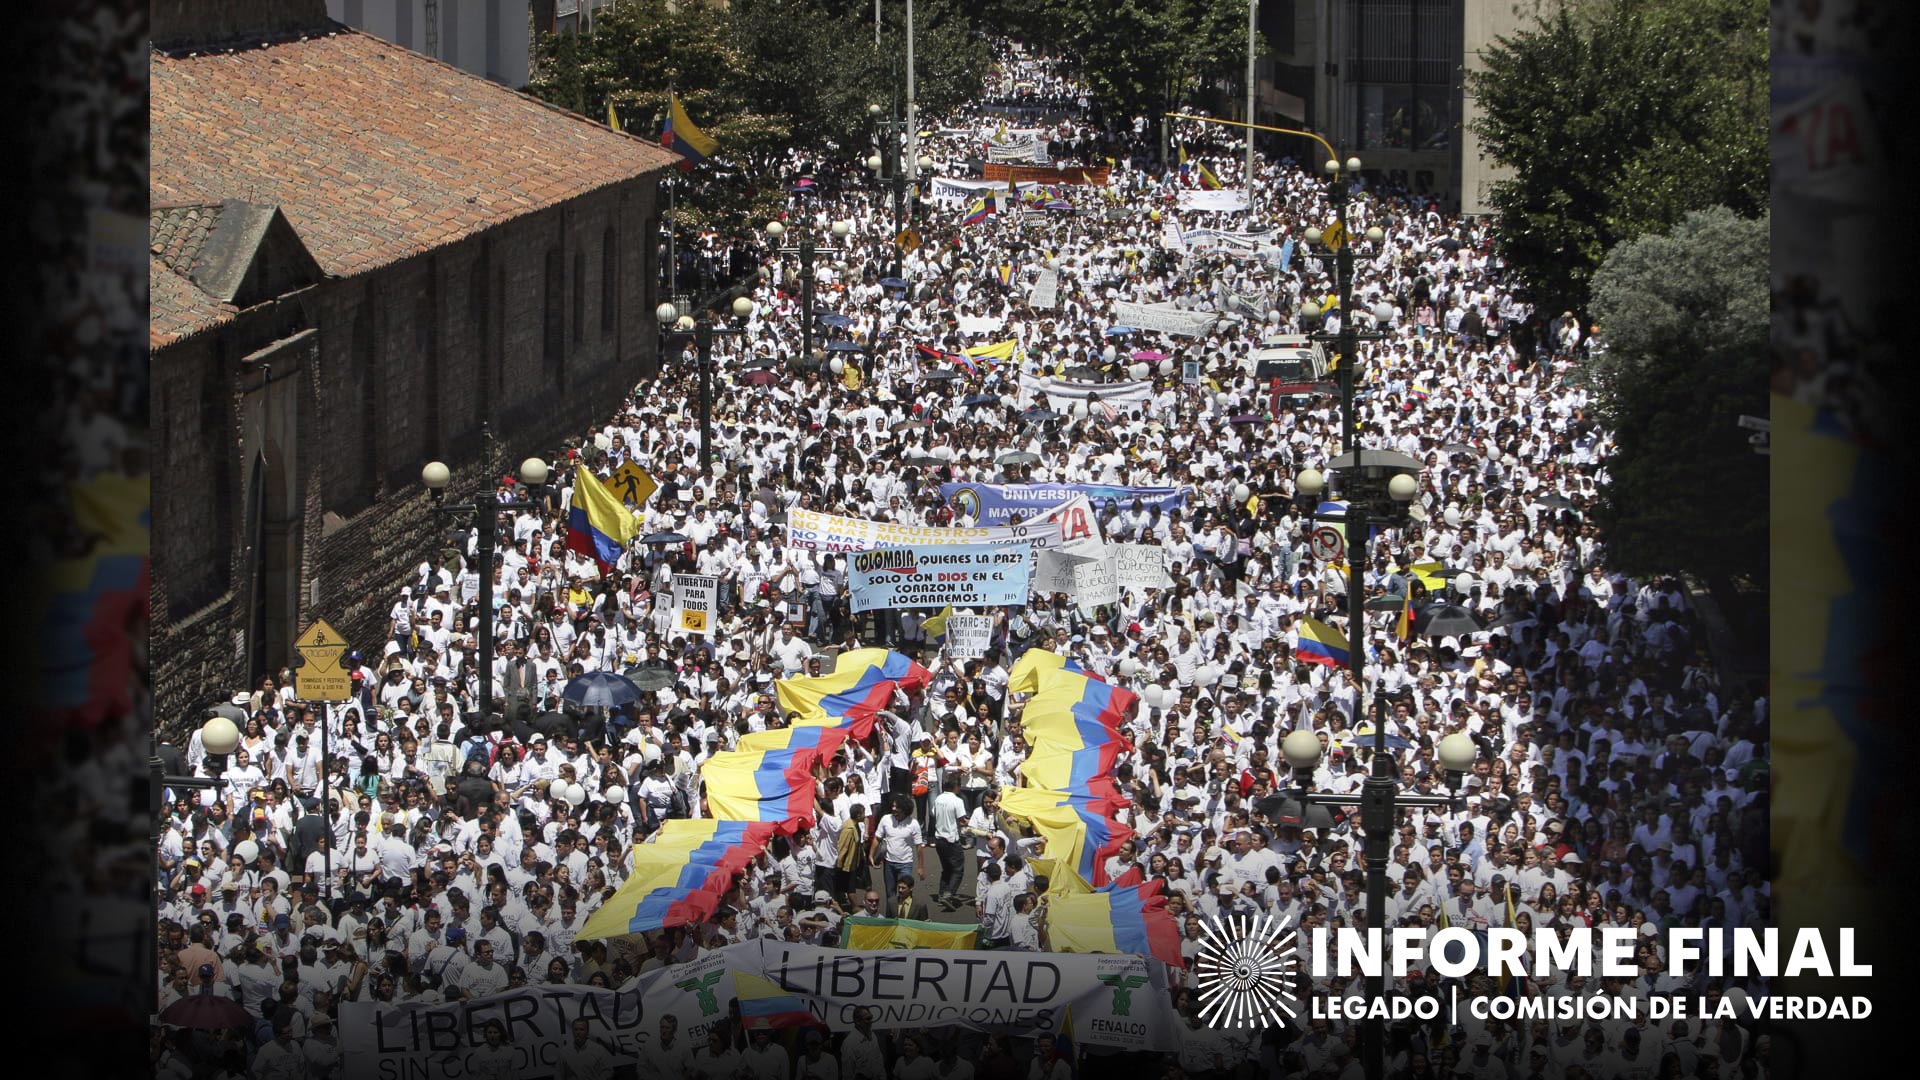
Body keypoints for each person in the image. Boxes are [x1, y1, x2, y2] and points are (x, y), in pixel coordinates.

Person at [869, 795, 924, 898]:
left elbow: (919, 846)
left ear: (904, 808)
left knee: (905, 894)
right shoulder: (886, 819)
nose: (893, 809)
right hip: (889, 864)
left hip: (905, 864)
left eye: (896, 807)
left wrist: (920, 867)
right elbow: (877, 838)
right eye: (893, 806)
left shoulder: (913, 824)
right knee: (890, 895)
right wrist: (871, 855)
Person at [931, 774, 969, 910]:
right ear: (956, 786)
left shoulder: (938, 799)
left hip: (939, 839)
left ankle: (942, 894)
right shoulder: (957, 801)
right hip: (951, 839)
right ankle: (948, 894)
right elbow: (962, 820)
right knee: (958, 869)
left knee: (946, 868)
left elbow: (934, 813)